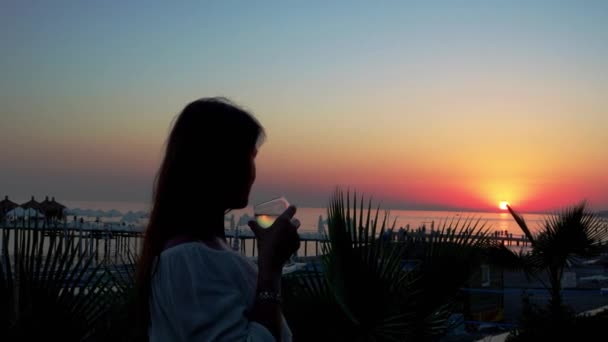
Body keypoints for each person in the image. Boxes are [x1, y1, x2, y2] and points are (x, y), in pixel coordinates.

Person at [135, 97, 301, 341]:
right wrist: (270, 268)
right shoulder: (188, 261)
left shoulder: (204, 251)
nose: (253, 170)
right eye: (250, 155)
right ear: (219, 161)